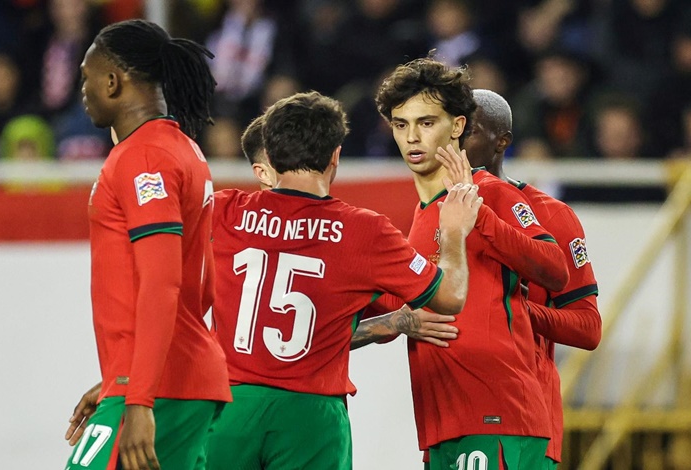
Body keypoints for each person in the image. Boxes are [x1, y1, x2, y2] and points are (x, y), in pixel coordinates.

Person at [205, 91, 483, 470]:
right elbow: (450, 297)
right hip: (310, 416)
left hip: (227, 410)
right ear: (335, 155)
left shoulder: (222, 211)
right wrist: (452, 232)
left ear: (268, 155)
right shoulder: (363, 230)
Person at [373, 58, 570, 470]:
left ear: (458, 126)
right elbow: (390, 309)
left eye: (426, 123)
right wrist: (391, 323)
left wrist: (479, 217)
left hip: (496, 413)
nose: (412, 137)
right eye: (400, 124)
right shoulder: (420, 217)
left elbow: (554, 268)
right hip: (444, 421)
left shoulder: (488, 193)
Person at [64, 19, 230, 470]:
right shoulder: (181, 149)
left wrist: (139, 397)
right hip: (167, 380)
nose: (82, 89)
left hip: (161, 390)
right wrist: (122, 376)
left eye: (86, 76)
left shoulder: (144, 157)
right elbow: (204, 288)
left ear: (114, 81)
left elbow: (162, 282)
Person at [450, 88, 602, 469]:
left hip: (522, 413)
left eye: (469, 131)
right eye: (451, 129)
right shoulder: (435, 208)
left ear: (502, 141)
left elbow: (588, 327)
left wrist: (509, 311)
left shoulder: (551, 215)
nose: (455, 141)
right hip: (449, 409)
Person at [240, 112, 461, 348]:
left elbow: (313, 336)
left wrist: (394, 322)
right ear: (263, 171)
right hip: (309, 383)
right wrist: (455, 231)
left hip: (231, 383)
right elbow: (446, 296)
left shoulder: (227, 215)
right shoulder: (356, 230)